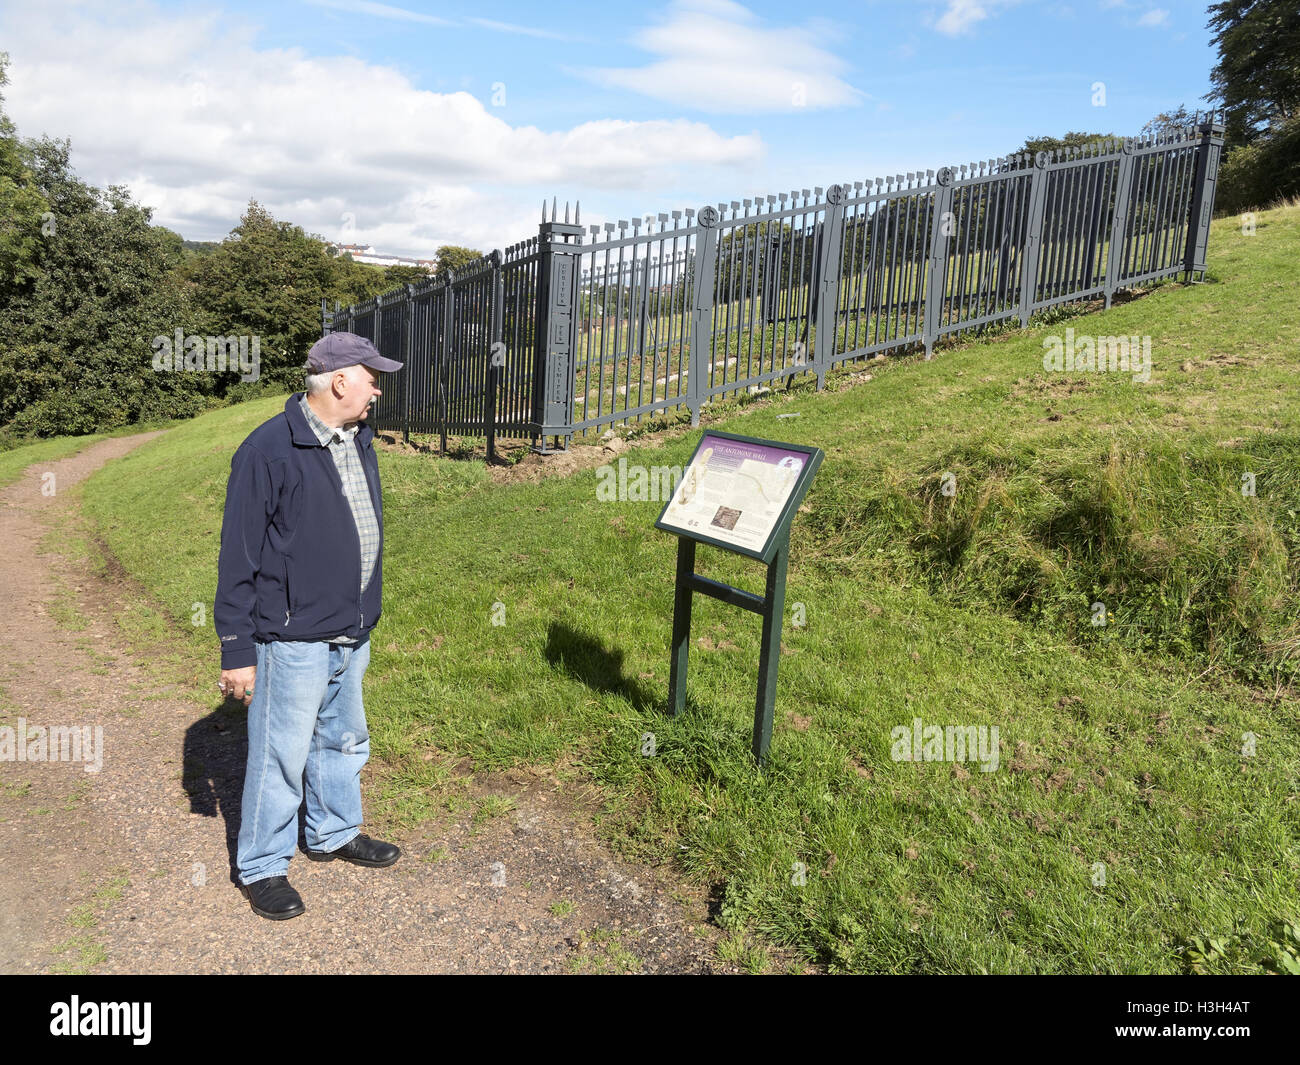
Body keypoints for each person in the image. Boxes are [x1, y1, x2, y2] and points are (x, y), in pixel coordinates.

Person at [214, 332, 404, 920]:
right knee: (279, 754)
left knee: (343, 739)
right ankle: (264, 866)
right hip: (291, 637)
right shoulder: (268, 449)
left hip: (350, 628)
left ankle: (334, 831)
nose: (378, 387)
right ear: (340, 380)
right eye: (372, 376)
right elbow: (238, 556)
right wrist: (236, 650)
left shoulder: (357, 437)